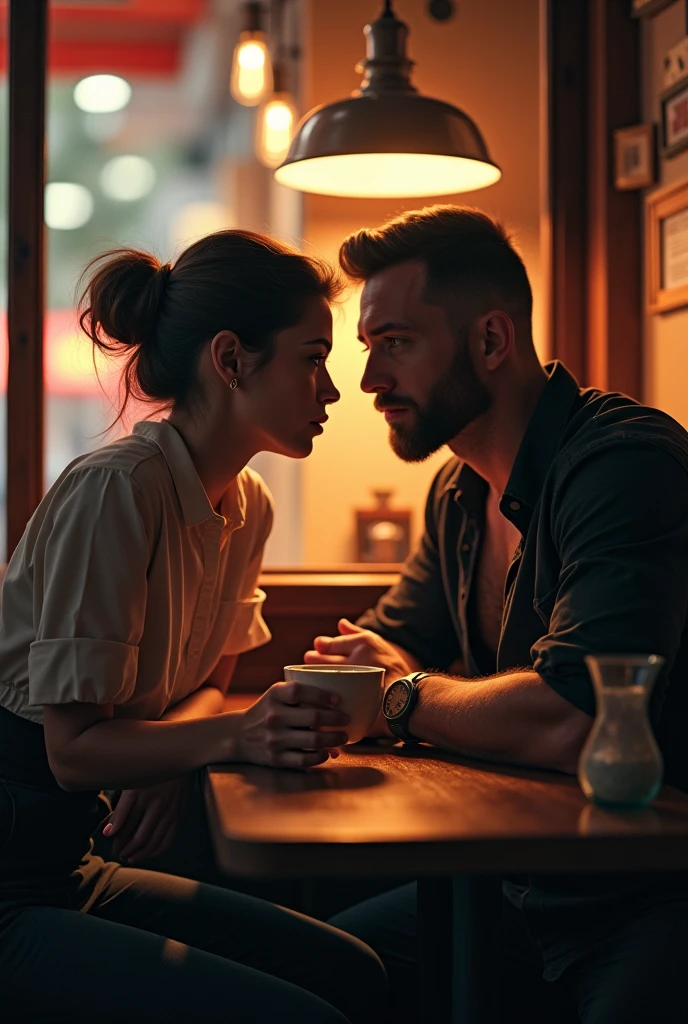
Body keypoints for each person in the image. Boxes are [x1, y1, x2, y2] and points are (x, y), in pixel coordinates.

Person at [305, 205, 688, 1023]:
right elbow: (376, 651)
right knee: (322, 979)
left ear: (490, 341)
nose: (370, 381)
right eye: (368, 348)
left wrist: (402, 697)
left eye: (396, 343)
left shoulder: (624, 465)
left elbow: (576, 717)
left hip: (649, 892)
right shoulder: (458, 490)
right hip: (512, 881)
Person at [0, 230, 387, 1024]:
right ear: (232, 359)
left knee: (358, 973)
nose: (332, 389)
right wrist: (235, 738)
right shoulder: (117, 492)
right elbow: (72, 753)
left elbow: (210, 680)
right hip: (10, 875)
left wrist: (174, 760)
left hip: (69, 863)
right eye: (312, 358)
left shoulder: (247, 505)